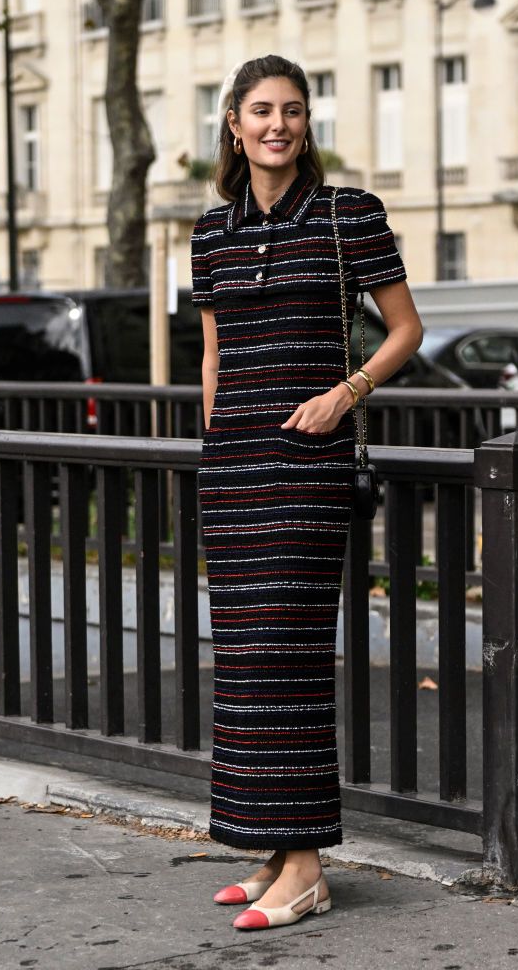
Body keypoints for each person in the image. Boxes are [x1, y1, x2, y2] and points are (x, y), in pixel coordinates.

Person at [191, 55, 422, 931]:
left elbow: (405, 328)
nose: (276, 124)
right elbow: (213, 357)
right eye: (261, 110)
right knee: (245, 668)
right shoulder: (209, 234)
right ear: (234, 123)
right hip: (236, 472)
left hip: (306, 471)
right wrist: (217, 447)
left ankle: (308, 866)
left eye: (291, 110)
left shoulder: (345, 216)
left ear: (304, 123)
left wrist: (343, 393)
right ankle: (271, 848)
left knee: (287, 659)